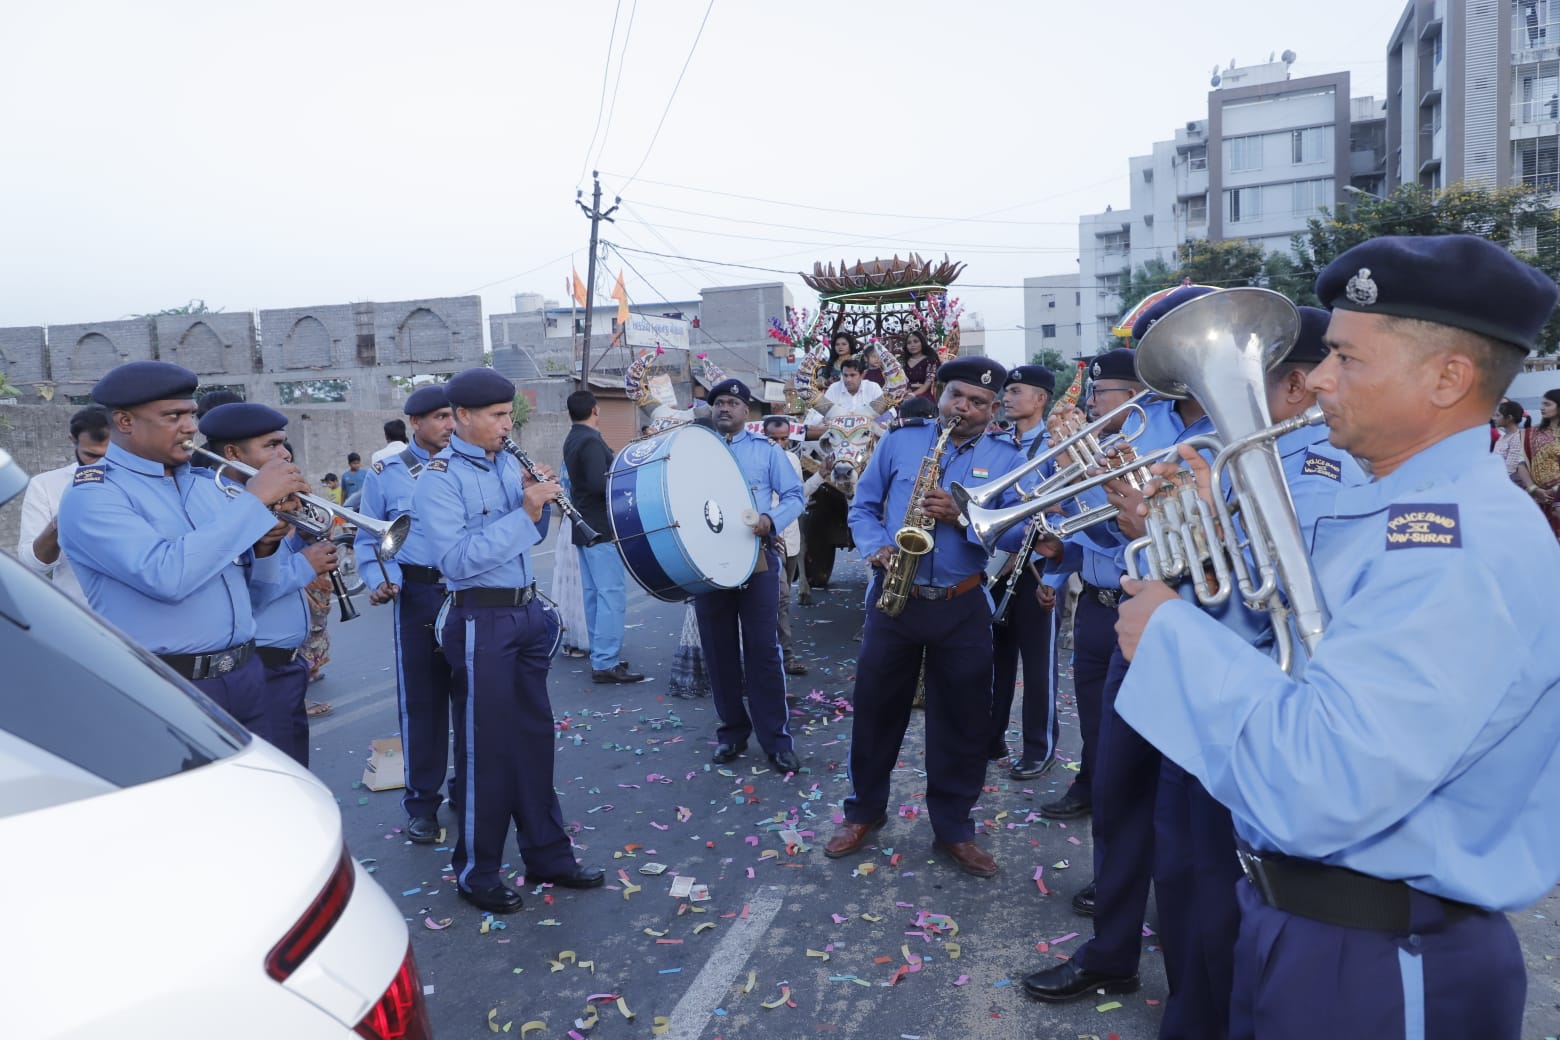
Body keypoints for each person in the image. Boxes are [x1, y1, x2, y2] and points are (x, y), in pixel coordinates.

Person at [1115, 235, 1560, 1040]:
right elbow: (1299, 665)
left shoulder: (1455, 549)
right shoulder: (1405, 517)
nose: (1316, 379)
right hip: (1324, 927)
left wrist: (1174, 636)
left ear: (1447, 379)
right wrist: (1210, 589)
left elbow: (1324, 780)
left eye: (1347, 360)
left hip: (1384, 955)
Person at [1125, 303, 1366, 1040]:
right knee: (1186, 897)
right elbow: (1209, 581)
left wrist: (1205, 541)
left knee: (1226, 912)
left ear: (1293, 387)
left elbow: (1294, 616)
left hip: (1255, 717)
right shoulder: (1228, 460)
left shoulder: (1321, 473)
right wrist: (1160, 530)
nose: (1202, 400)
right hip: (1203, 709)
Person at [1024, 286, 1220, 1001]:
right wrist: (1084, 489)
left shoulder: (1249, 424)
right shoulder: (1143, 421)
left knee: (1194, 818)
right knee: (1119, 790)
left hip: (1211, 633)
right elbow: (1111, 532)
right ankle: (1112, 950)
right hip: (1136, 620)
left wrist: (1162, 534)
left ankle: (1197, 975)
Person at [824, 356, 1023, 879]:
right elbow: (862, 507)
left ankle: (953, 827)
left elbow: (1021, 531)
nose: (966, 407)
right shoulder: (899, 440)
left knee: (961, 719)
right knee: (875, 709)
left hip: (962, 603)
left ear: (994, 408)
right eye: (958, 395)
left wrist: (963, 518)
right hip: (895, 598)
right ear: (940, 394)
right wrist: (877, 548)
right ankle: (863, 811)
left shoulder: (1007, 456)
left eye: (979, 402)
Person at [415, 368, 603, 913]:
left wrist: (537, 504)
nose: (505, 426)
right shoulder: (440, 478)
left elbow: (526, 538)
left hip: (523, 615)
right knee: (486, 750)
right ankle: (477, 870)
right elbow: (454, 559)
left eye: (508, 416)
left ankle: (548, 853)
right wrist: (523, 511)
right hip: (479, 620)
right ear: (464, 418)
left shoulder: (505, 465)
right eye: (496, 417)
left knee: (533, 740)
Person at [58, 361, 310, 738]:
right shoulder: (95, 495)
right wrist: (254, 503)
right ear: (125, 422)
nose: (190, 427)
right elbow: (166, 576)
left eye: (191, 414)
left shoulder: (209, 486)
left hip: (246, 675)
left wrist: (266, 546)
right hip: (170, 684)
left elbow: (256, 596)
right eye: (173, 416)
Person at [199, 403, 337, 767]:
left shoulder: (272, 500)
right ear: (233, 453)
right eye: (272, 445)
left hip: (289, 664)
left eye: (284, 444)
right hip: (258, 663)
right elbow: (245, 593)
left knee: (297, 771)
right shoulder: (221, 506)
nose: (285, 453)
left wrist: (306, 531)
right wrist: (305, 566)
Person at [356, 384, 458, 844]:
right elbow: (369, 538)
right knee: (423, 703)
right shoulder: (386, 472)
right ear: (414, 423)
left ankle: (469, 789)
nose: (449, 425)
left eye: (452, 415)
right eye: (438, 417)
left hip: (469, 589)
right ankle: (422, 803)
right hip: (417, 592)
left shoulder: (473, 461)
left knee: (476, 698)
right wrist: (380, 577)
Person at [694, 379, 805, 773]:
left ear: (746, 412)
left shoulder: (766, 452)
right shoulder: (693, 452)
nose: (724, 408)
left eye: (733, 403)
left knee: (762, 651)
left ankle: (776, 740)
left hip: (756, 560)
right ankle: (732, 734)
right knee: (719, 653)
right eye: (719, 403)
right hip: (705, 563)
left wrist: (770, 520)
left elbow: (795, 496)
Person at [987, 365, 1060, 780]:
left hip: (1038, 570)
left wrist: (1050, 573)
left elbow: (1068, 512)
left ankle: (1039, 747)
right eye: (1006, 391)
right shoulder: (995, 445)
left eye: (1017, 391)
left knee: (1037, 664)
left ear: (1040, 399)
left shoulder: (1057, 446)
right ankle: (991, 736)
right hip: (996, 567)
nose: (1008, 397)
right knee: (994, 660)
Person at [562, 389, 643, 684]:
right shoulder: (590, 440)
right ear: (595, 410)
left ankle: (601, 656)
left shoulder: (572, 438)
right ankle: (606, 662)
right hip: (600, 527)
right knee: (610, 596)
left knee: (595, 596)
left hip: (584, 526)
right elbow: (600, 484)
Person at [16, 404, 111, 602]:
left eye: (111, 457)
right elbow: (32, 566)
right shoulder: (45, 485)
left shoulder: (147, 481)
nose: (102, 465)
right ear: (73, 441)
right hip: (81, 616)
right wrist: (63, 520)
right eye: (92, 455)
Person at [763, 414, 809, 677]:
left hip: (791, 540)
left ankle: (777, 652)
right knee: (779, 599)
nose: (780, 445)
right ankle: (785, 656)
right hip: (770, 539)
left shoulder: (792, 460)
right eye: (773, 439)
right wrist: (769, 525)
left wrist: (821, 476)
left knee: (784, 598)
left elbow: (799, 498)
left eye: (784, 439)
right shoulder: (758, 460)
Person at [1516, 387, 1560, 539]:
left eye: (1547, 404)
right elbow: (1521, 463)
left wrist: (1555, 490)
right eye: (1542, 404)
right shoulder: (1530, 433)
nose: (1542, 408)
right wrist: (1533, 488)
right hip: (1537, 498)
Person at [902, 330, 939, 400]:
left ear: (922, 342)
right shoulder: (904, 361)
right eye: (909, 343)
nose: (912, 345)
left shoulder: (930, 360)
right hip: (905, 393)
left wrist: (913, 394)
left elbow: (928, 383)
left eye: (916, 341)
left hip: (922, 394)